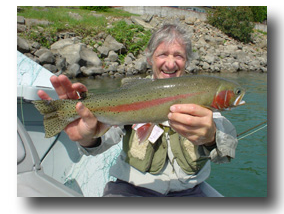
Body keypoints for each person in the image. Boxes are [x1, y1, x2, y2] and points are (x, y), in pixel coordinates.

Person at [38, 22, 238, 197]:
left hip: (190, 193)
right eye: (162, 54)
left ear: (187, 61)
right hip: (130, 191)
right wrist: (87, 137)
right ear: (150, 58)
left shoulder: (200, 96)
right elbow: (97, 143)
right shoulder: (132, 94)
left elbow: (226, 150)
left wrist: (211, 136)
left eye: (179, 55)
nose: (170, 62)